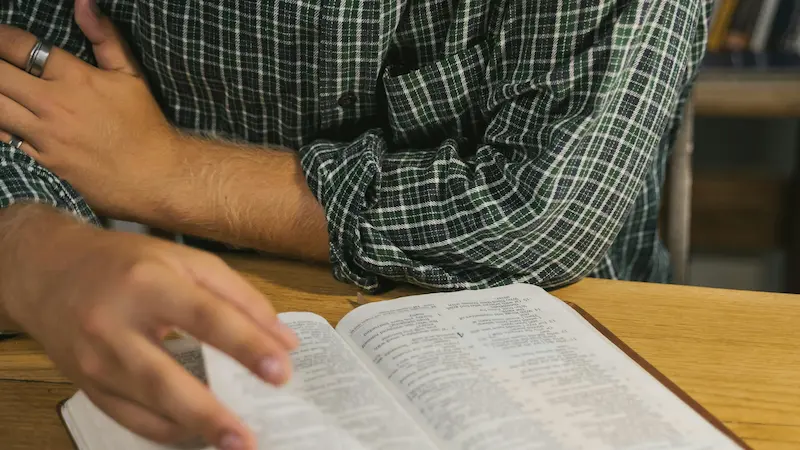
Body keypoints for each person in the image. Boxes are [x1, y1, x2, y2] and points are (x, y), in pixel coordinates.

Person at [0, 0, 709, 448]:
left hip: (576, 346)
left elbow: (543, 214)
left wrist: (170, 175)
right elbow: (24, 90)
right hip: (195, 336)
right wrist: (30, 245)